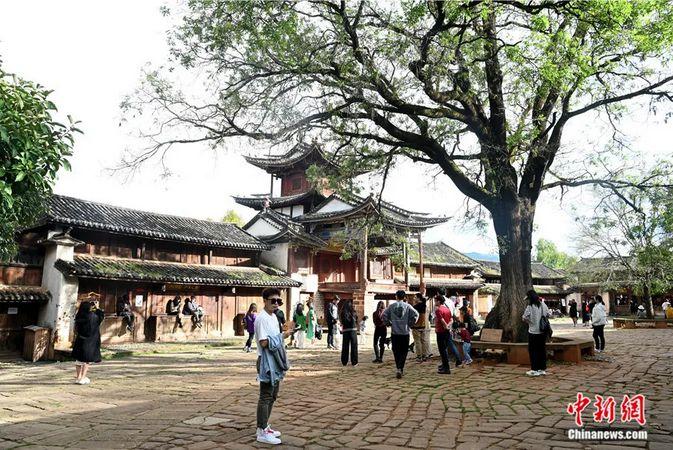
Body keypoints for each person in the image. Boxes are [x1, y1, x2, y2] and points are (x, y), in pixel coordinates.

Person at [254, 287, 292, 445]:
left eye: (279, 301)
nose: (276, 303)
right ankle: (261, 430)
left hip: (275, 359)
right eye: (273, 300)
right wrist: (283, 336)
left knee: (273, 395)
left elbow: (275, 337)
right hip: (266, 360)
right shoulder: (262, 318)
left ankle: (264, 426)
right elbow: (264, 342)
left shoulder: (274, 317)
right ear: (265, 301)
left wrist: (283, 334)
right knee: (266, 395)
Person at [383, 290, 419, 379]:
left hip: (395, 332)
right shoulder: (408, 306)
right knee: (404, 351)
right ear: (404, 297)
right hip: (405, 332)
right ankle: (400, 368)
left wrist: (388, 323)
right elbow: (416, 314)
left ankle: (398, 367)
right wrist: (410, 324)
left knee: (396, 350)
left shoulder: (391, 306)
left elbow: (384, 315)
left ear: (396, 296)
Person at [72, 294, 105, 385]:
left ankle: (78, 377)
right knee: (87, 360)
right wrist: (97, 308)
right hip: (90, 341)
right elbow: (101, 315)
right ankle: (83, 377)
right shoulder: (94, 317)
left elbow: (76, 329)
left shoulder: (79, 316)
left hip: (80, 339)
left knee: (79, 360)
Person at [522, 290, 550, 377]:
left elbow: (524, 317)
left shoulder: (530, 307)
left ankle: (534, 369)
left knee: (533, 351)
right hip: (542, 331)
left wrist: (530, 322)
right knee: (542, 350)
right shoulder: (543, 305)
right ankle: (542, 369)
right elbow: (548, 314)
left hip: (533, 332)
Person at [434, 295, 453, 375]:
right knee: (444, 349)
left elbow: (442, 320)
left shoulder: (438, 310)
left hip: (441, 331)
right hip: (447, 331)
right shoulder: (447, 309)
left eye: (435, 300)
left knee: (442, 350)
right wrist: (448, 326)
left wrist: (445, 326)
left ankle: (446, 368)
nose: (435, 302)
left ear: (439, 301)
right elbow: (451, 319)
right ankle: (444, 365)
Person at [411, 293, 431, 362]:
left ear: (418, 298)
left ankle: (419, 356)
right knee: (424, 341)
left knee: (417, 342)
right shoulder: (425, 306)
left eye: (415, 297)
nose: (414, 298)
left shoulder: (415, 307)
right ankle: (424, 355)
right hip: (423, 325)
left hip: (416, 326)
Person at [339, 298, 358, 366]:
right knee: (354, 346)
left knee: (345, 346)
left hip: (346, 330)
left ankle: (344, 361)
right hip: (353, 330)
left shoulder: (342, 312)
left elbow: (342, 321)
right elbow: (356, 320)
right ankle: (354, 362)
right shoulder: (354, 312)